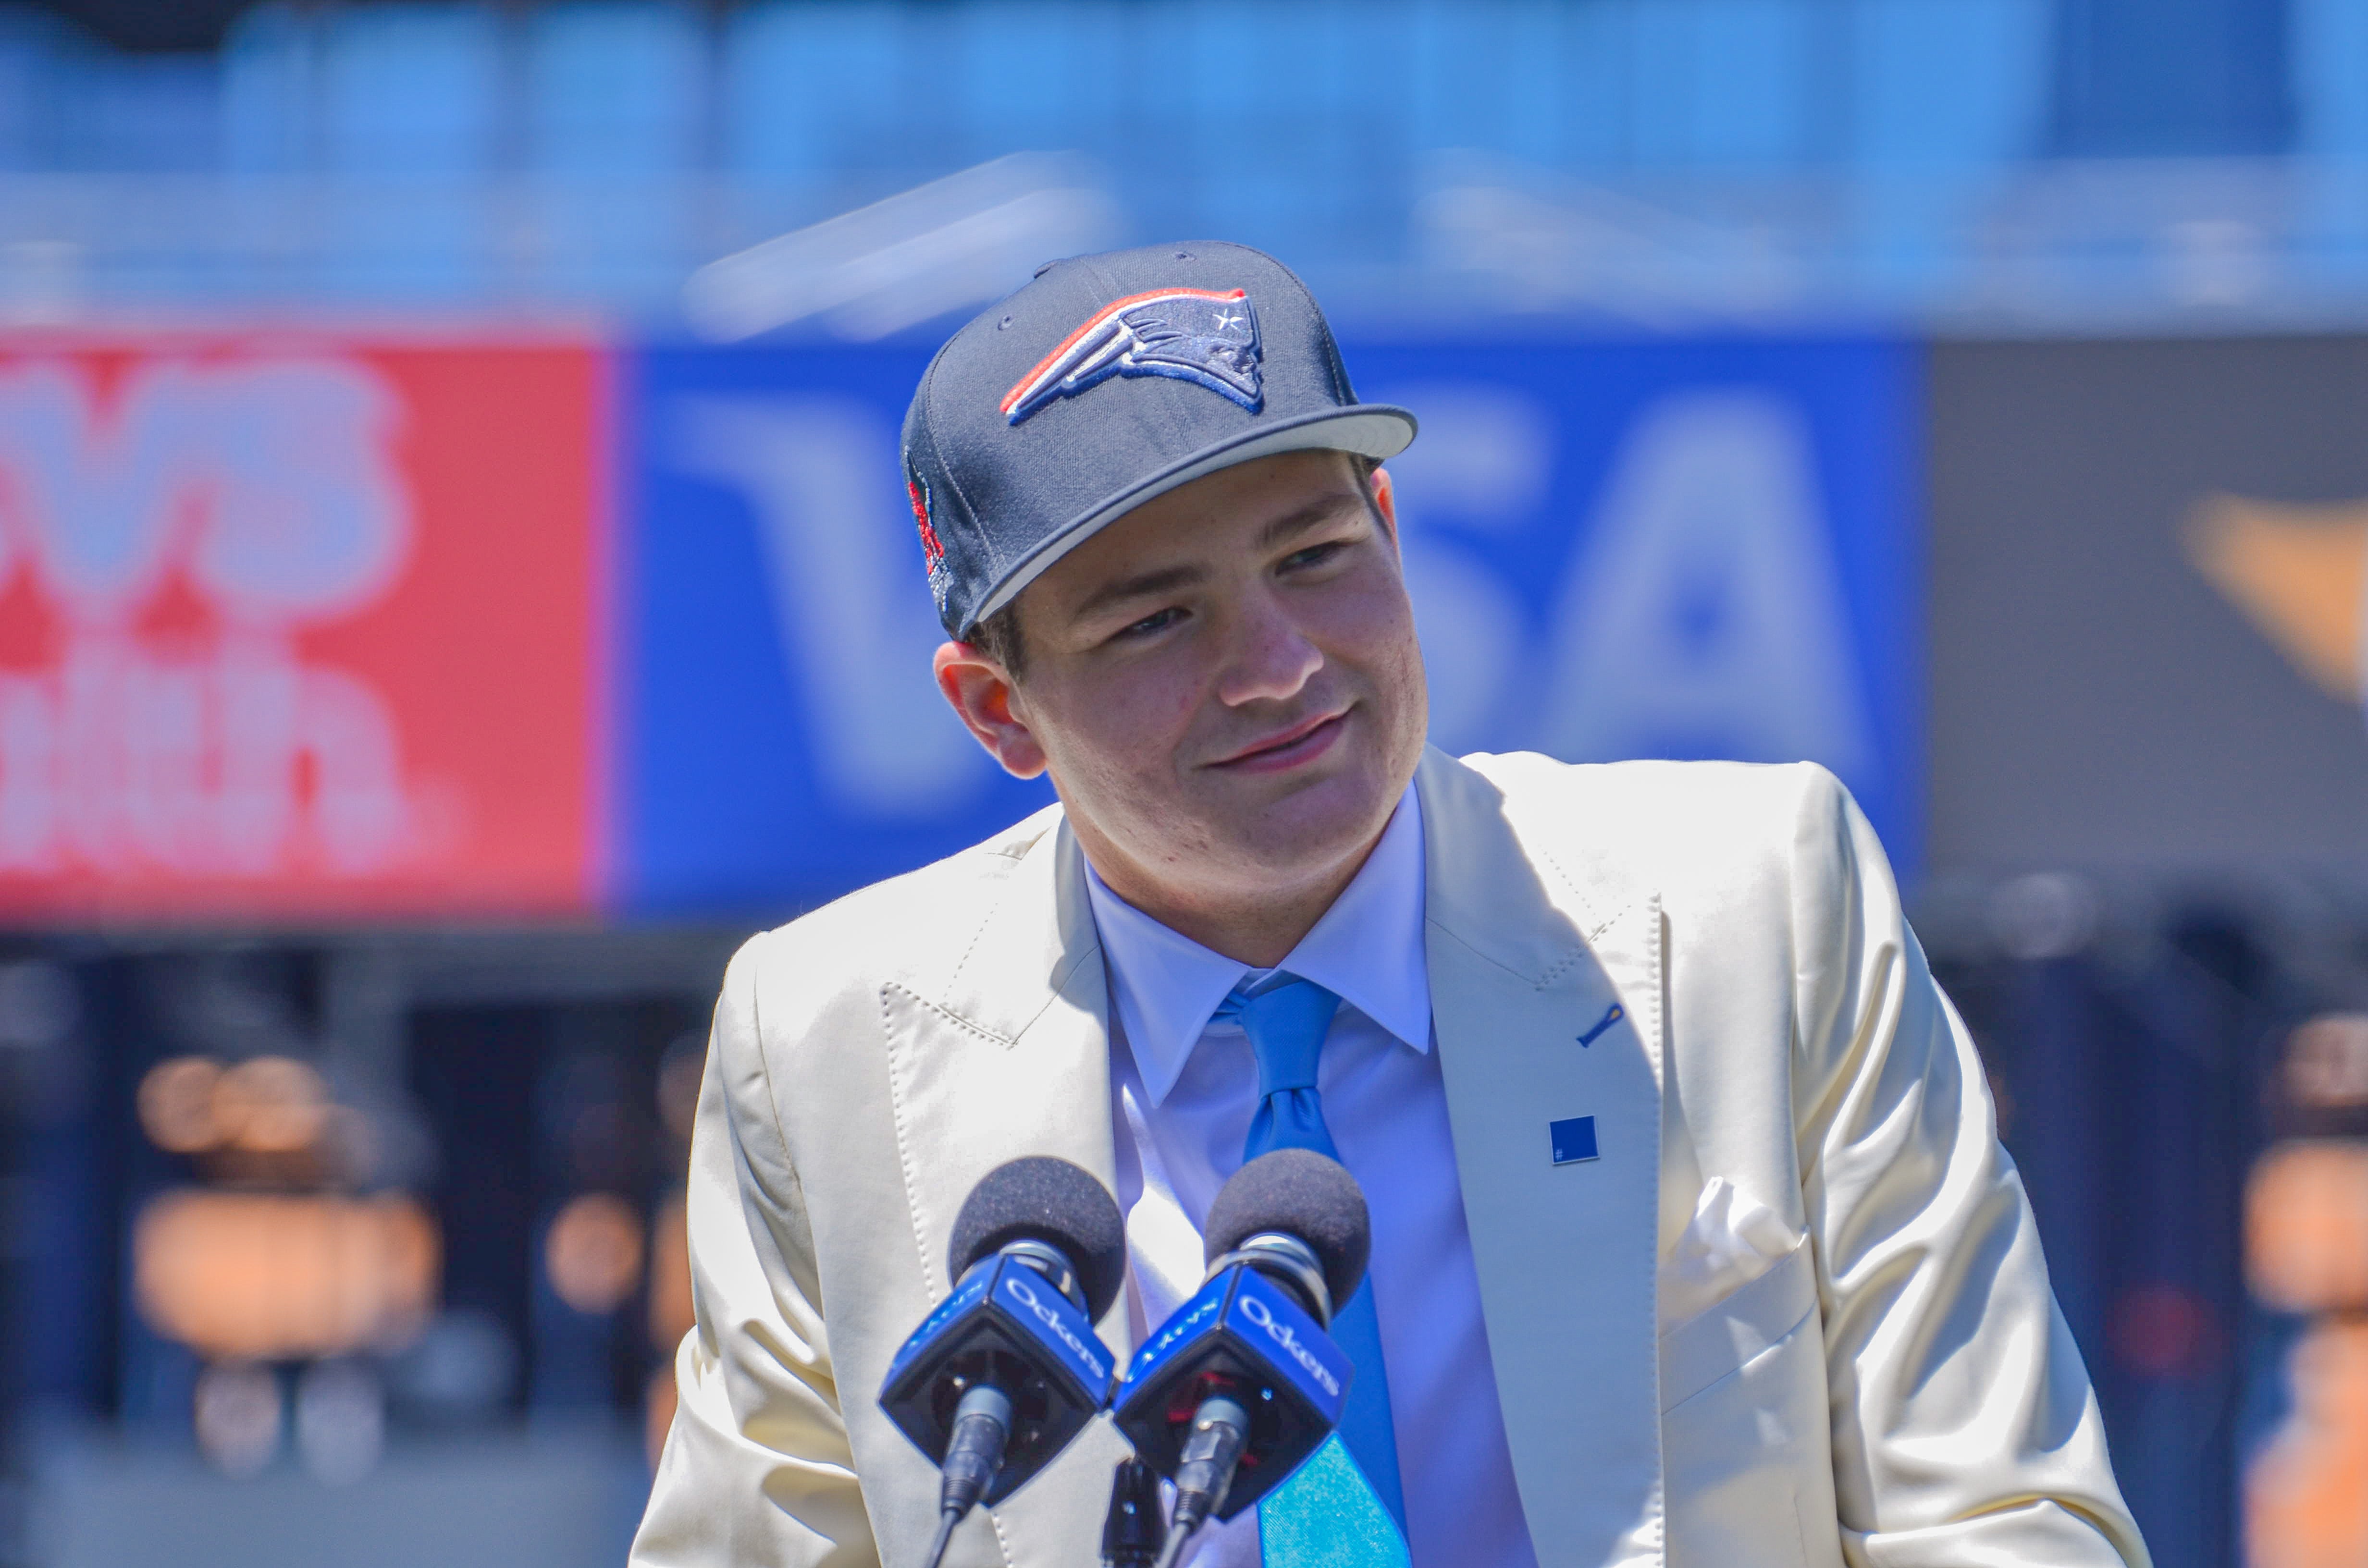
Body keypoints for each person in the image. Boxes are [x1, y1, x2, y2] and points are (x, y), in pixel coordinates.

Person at [630, 242, 2149, 1568]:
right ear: (997, 712)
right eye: (1158, 619)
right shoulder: (824, 1041)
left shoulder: (1756, 903)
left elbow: (2004, 1521)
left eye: (1315, 556)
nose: (1280, 664)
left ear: (1394, 535)